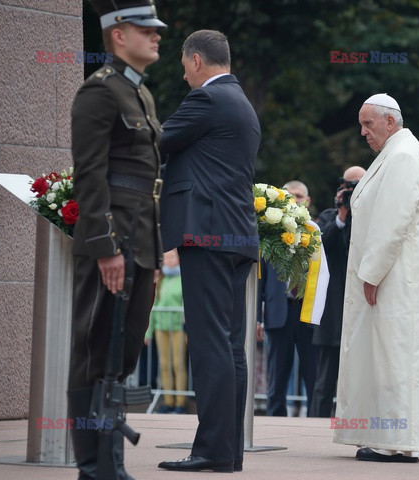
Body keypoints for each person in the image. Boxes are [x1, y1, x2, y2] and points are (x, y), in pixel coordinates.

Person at [67, 1, 166, 478]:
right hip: (114, 244)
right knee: (95, 347)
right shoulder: (99, 92)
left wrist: (154, 257)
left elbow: (148, 185)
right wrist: (105, 248)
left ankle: (111, 460)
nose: (157, 36)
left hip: (141, 242)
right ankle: (94, 465)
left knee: (122, 353)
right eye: (146, 29)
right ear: (118, 35)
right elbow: (90, 178)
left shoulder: (140, 96)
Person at [157, 30, 261, 473]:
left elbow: (157, 141)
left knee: (210, 344)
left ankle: (212, 450)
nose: (183, 76)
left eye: (184, 65)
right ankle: (225, 450)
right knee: (229, 345)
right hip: (234, 237)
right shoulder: (242, 103)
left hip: (209, 236)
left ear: (197, 60)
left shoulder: (208, 100)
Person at [333, 93, 419, 462]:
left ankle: (399, 441)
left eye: (369, 124)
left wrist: (371, 274)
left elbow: (391, 223)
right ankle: (390, 436)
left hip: (396, 279)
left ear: (390, 122)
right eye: (361, 124)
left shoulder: (401, 155)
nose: (363, 132)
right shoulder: (398, 152)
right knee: (388, 357)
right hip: (395, 277)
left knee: (396, 357)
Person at [258, 181, 319, 417]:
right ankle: (276, 423)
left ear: (308, 201)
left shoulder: (316, 231)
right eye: (290, 196)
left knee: (313, 375)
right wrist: (256, 316)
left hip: (307, 311)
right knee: (277, 377)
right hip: (277, 312)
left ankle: (316, 423)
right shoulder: (269, 231)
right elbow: (260, 279)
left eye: (299, 196)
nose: (295, 199)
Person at [309, 166, 365, 418]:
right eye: (348, 186)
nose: (352, 191)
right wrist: (342, 215)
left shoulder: (372, 216)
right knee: (324, 382)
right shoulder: (330, 216)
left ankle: (357, 429)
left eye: (358, 185)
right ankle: (312, 432)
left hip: (361, 311)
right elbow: (322, 245)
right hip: (333, 312)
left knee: (360, 382)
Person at [145, 249, 187, 414]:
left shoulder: (184, 278)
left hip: (178, 328)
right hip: (160, 328)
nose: (169, 260)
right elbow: (154, 305)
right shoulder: (160, 278)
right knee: (164, 365)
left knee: (178, 364)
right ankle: (168, 401)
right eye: (166, 257)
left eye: (172, 257)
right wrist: (148, 332)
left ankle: (180, 402)